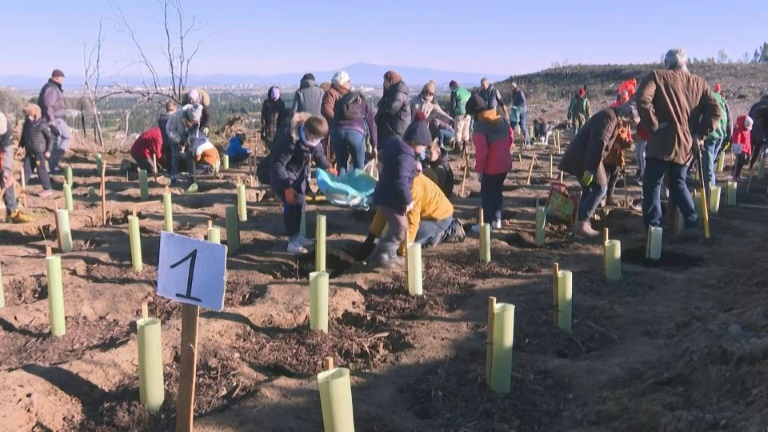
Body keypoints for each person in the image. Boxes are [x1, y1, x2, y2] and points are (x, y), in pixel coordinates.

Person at [636, 48, 721, 236]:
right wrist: (699, 134)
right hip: (685, 145)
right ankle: (691, 220)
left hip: (661, 143)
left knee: (652, 185)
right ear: (685, 63)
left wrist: (653, 125)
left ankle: (654, 229)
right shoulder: (699, 83)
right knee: (678, 182)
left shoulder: (657, 76)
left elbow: (642, 99)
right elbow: (716, 111)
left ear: (667, 63)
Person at [559, 102, 640, 237]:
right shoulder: (610, 118)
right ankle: (583, 224)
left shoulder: (611, 117)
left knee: (588, 190)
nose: (628, 126)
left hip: (582, 156)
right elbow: (598, 143)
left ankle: (579, 224)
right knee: (601, 188)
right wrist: (590, 170)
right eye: (630, 122)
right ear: (626, 116)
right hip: (586, 157)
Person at [360, 162, 465, 259]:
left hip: (440, 217)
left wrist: (402, 253)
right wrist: (370, 239)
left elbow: (412, 223)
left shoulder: (412, 188)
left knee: (410, 235)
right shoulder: (391, 182)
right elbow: (384, 209)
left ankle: (450, 230)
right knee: (394, 231)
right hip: (424, 214)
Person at [369, 112, 431, 267]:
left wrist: (413, 167)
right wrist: (408, 201)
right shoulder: (407, 156)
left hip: (387, 195)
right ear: (415, 142)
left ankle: (383, 255)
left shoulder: (399, 148)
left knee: (398, 226)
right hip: (391, 198)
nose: (424, 149)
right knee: (401, 227)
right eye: (423, 145)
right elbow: (401, 180)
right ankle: (383, 254)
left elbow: (393, 166)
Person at [270, 114, 336, 254]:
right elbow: (278, 165)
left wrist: (327, 167)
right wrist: (287, 188)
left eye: (320, 139)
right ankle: (292, 242)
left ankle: (297, 235)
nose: (317, 141)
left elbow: (319, 155)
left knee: (300, 204)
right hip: (284, 176)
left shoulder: (314, 141)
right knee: (290, 206)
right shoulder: (290, 141)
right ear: (307, 132)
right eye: (315, 138)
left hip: (299, 175)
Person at [467, 92, 514, 231]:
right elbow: (510, 135)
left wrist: (479, 170)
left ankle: (486, 224)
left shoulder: (480, 125)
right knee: (497, 191)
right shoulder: (499, 118)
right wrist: (504, 150)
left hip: (491, 167)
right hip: (505, 163)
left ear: (474, 113)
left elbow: (482, 151)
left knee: (487, 194)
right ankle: (497, 219)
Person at [331, 86, 377, 176]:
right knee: (359, 169)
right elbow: (372, 125)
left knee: (341, 166)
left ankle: (341, 183)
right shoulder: (362, 102)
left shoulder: (341, 102)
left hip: (337, 132)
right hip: (356, 133)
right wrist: (374, 145)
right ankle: (357, 183)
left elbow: (334, 119)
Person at [701, 83, 732, 193]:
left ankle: (710, 192)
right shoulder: (721, 98)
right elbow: (729, 117)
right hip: (721, 134)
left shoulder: (704, 97)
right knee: (710, 163)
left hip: (710, 134)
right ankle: (710, 187)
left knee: (708, 166)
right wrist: (729, 136)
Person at [1, 112, 32, 223]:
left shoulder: (5, 127)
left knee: (7, 179)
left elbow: (7, 149)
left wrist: (6, 170)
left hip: (1, 151)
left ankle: (12, 212)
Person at [37, 69, 71, 173]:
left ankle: (53, 164)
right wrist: (52, 122)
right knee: (66, 137)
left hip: (55, 118)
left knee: (59, 139)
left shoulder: (52, 87)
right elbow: (48, 106)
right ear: (57, 78)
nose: (63, 80)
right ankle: (52, 161)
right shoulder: (52, 88)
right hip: (54, 118)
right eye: (62, 78)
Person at [20, 104, 54, 198]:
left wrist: (48, 151)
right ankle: (19, 187)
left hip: (39, 152)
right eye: (26, 115)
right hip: (29, 151)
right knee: (26, 170)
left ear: (35, 115)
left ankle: (47, 189)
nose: (27, 117)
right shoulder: (27, 124)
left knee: (41, 170)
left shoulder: (42, 124)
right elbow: (24, 136)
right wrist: (21, 146)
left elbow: (50, 138)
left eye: (29, 115)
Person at [375, 70, 411, 150]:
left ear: (392, 81)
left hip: (397, 131)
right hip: (390, 130)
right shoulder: (392, 93)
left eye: (386, 81)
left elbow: (391, 109)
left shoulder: (399, 94)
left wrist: (381, 104)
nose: (384, 83)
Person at [261, 86, 286, 151]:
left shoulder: (266, 103)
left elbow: (263, 117)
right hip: (278, 131)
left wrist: (263, 129)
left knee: (270, 147)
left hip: (268, 130)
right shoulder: (281, 103)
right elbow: (283, 118)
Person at [449, 80, 471, 151]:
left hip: (459, 113)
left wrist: (451, 114)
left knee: (458, 131)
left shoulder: (455, 92)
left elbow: (453, 104)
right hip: (468, 113)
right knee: (466, 131)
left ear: (452, 86)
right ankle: (465, 148)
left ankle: (457, 148)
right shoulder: (466, 91)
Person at [748, 93, 768, 169]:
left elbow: (748, 117)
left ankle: (746, 161)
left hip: (751, 130)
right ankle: (752, 164)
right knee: (758, 148)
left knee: (750, 146)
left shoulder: (755, 105)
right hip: (763, 133)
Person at [730, 115, 753, 180]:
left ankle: (737, 175)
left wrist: (749, 151)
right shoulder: (738, 131)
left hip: (744, 150)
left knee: (742, 162)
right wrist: (737, 151)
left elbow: (748, 142)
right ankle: (735, 175)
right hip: (739, 149)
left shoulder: (747, 131)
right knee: (739, 162)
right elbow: (736, 141)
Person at [158, 101, 177, 170]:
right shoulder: (173, 118)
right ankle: (174, 172)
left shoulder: (161, 119)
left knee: (168, 157)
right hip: (173, 140)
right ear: (174, 108)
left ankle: (169, 171)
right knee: (174, 157)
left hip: (165, 140)